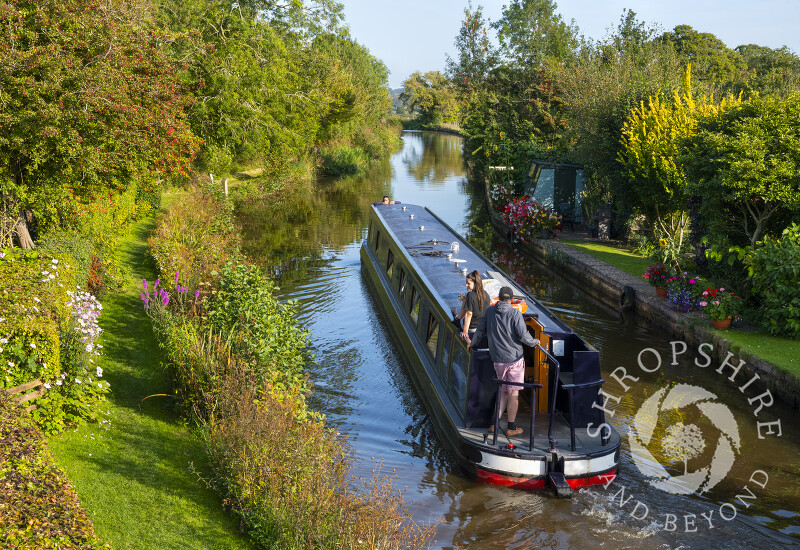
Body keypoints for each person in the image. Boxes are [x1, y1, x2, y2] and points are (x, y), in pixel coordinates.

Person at [468, 286, 539, 437]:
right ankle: (511, 427)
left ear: (499, 298)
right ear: (512, 300)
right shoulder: (515, 313)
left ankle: (495, 424)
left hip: (497, 360)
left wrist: (472, 344)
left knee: (503, 392)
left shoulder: (490, 312)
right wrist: (534, 343)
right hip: (514, 360)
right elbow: (523, 335)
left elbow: (480, 330)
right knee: (513, 393)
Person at [455, 270, 489, 345]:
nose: (466, 285)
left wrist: (465, 332)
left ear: (475, 283)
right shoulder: (486, 294)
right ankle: (458, 317)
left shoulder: (470, 295)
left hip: (472, 328)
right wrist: (466, 301)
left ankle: (457, 318)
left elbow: (469, 314)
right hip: (482, 328)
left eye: (468, 283)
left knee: (458, 318)